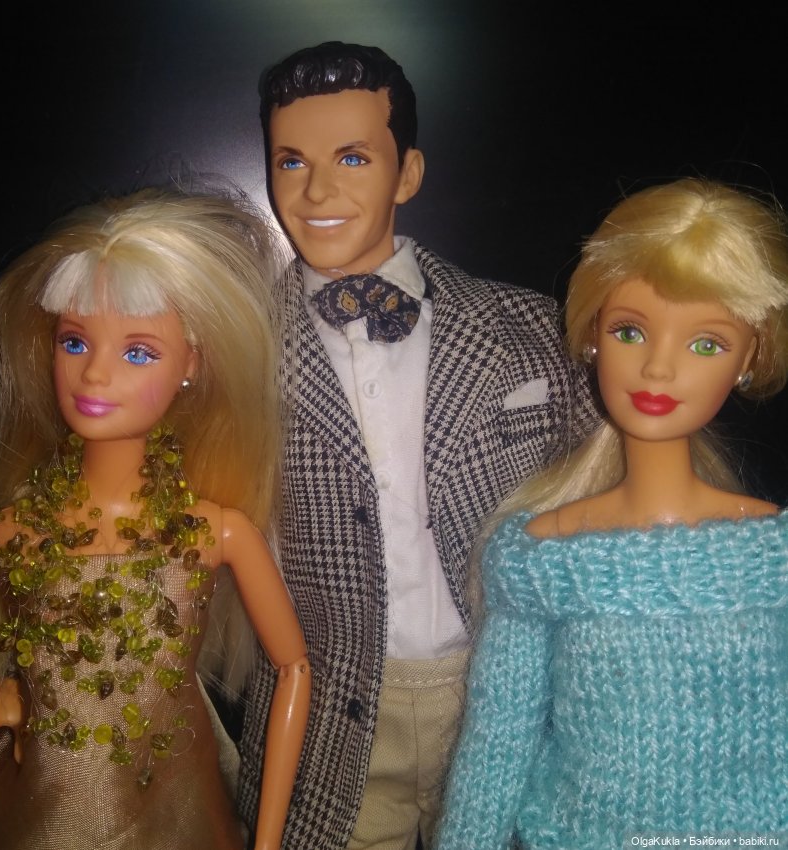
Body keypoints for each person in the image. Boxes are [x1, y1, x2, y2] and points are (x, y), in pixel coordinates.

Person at [238, 41, 599, 850]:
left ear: (407, 174)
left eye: (352, 158)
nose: (317, 191)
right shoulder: (238, 346)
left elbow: (609, 500)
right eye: (291, 162)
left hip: (502, 705)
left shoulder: (532, 330)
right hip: (321, 718)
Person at [0, 188, 312, 850]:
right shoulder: (1, 536)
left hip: (179, 818)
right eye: (74, 341)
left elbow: (294, 671)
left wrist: (268, 842)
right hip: (43, 820)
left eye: (139, 351)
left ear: (192, 365)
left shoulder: (215, 534)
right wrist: (15, 691)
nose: (94, 375)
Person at [433, 177, 788, 849]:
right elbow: (498, 743)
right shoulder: (541, 559)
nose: (657, 369)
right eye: (630, 331)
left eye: (706, 344)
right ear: (594, 334)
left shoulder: (775, 555)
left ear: (751, 357)